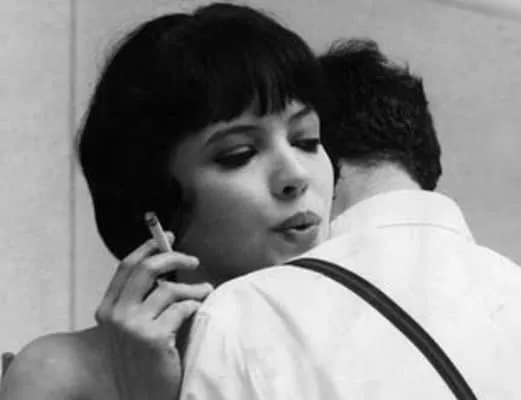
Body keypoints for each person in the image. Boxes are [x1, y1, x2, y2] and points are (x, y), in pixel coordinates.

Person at [0, 3, 334, 399]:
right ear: (155, 199)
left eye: (306, 141)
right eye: (239, 154)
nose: (295, 176)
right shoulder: (61, 375)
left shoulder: (365, 334)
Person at [177, 39, 521, 399]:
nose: (292, 175)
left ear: (326, 154)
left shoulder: (248, 312)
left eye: (304, 141)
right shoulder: (510, 287)